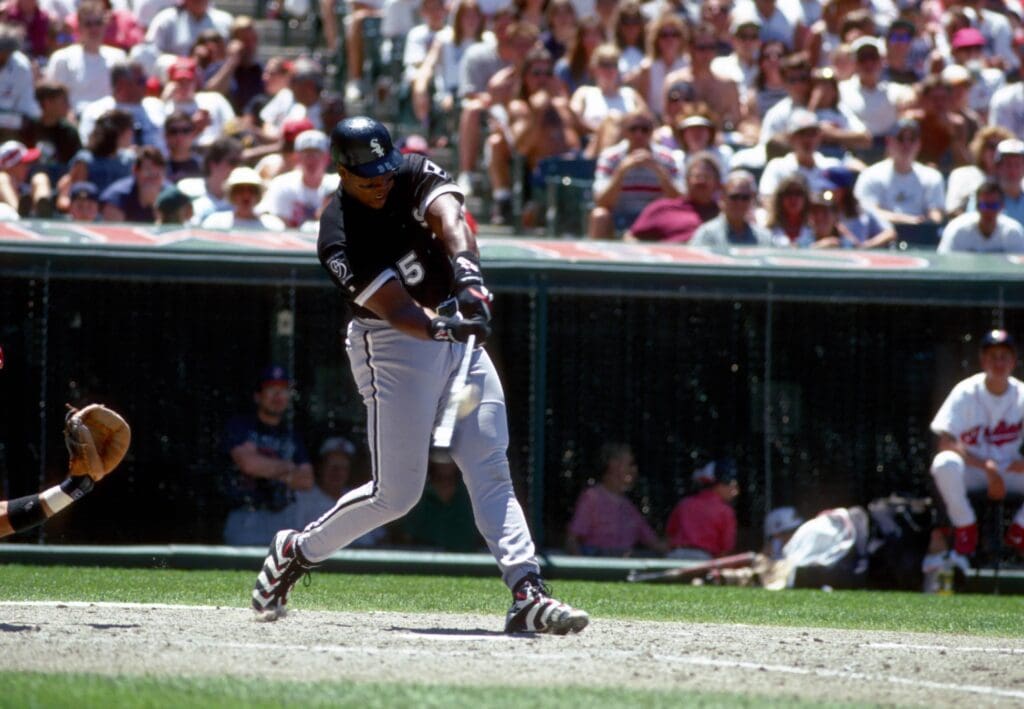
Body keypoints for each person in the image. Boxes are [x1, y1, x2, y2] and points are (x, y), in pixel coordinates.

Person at [251, 116, 589, 635]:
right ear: (342, 172)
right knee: (397, 494)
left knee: (489, 465)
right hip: (392, 346)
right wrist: (443, 327)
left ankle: (527, 590)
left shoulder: (405, 171)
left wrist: (468, 276)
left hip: (455, 335)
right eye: (369, 175)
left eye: (385, 169)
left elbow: (449, 214)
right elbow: (399, 312)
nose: (382, 180)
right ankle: (297, 550)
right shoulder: (337, 234)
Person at [927, 329, 1024, 569]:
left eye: (1004, 356)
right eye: (993, 356)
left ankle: (1020, 531)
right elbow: (946, 441)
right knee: (944, 462)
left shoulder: (1022, 394)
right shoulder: (965, 391)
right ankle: (965, 526)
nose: (998, 362)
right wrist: (986, 469)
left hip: (1010, 470)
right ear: (983, 361)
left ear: (1013, 361)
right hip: (974, 470)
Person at [223, 365, 314, 547]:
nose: (278, 397)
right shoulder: (242, 426)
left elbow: (306, 480)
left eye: (283, 391)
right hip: (245, 516)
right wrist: (289, 468)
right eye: (272, 390)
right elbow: (249, 465)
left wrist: (266, 467)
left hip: (282, 518)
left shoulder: (291, 434)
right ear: (258, 396)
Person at [588, 108, 683, 239]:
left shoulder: (667, 159)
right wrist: (621, 171)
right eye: (633, 129)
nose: (639, 134)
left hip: (656, 218)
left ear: (652, 132)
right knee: (599, 215)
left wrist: (658, 170)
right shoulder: (610, 157)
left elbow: (679, 200)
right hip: (619, 216)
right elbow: (601, 201)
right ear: (624, 131)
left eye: (645, 129)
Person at [565, 442, 666, 557]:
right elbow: (572, 540)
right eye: (630, 464)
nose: (634, 470)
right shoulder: (591, 498)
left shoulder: (629, 508)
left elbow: (655, 543)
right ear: (613, 464)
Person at [289, 436, 385, 547]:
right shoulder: (303, 498)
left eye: (343, 467)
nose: (337, 473)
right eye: (333, 466)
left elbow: (381, 539)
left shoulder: (363, 497)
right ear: (321, 467)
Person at [852, 117, 945, 228]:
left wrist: (926, 223)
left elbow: (936, 216)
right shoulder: (870, 175)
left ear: (919, 143)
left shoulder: (932, 177)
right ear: (889, 141)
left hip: (919, 235)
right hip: (881, 236)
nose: (906, 145)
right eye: (900, 139)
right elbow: (867, 213)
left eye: (912, 139)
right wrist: (906, 220)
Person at [624, 152, 721, 243]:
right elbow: (630, 237)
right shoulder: (662, 208)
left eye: (706, 177)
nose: (701, 181)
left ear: (717, 184)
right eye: (697, 176)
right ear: (686, 181)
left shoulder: (724, 214)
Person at [400, 459, 482, 552]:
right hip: (425, 561)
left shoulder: (473, 494)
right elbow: (407, 536)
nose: (445, 461)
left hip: (467, 560)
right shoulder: (417, 494)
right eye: (439, 455)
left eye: (450, 457)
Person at [665, 459, 739, 559]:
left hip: (673, 558)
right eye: (731, 485)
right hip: (702, 562)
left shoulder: (684, 504)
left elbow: (670, 535)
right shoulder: (725, 511)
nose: (735, 492)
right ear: (719, 485)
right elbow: (725, 549)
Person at [691, 169, 776, 246]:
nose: (740, 203)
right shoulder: (707, 235)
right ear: (722, 198)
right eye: (734, 197)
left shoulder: (764, 237)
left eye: (745, 197)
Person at [938, 182, 1024, 254]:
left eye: (993, 206)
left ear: (1001, 206)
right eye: (984, 206)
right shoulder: (957, 230)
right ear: (977, 207)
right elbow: (944, 264)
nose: (988, 211)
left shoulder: (1013, 232)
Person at [99, 145, 171, 223]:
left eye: (158, 172)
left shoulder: (171, 195)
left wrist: (157, 205)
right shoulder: (117, 196)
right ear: (135, 171)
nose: (152, 176)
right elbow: (114, 232)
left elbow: (172, 231)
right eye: (148, 170)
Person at [201, 166, 286, 231]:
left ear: (258, 194)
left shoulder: (272, 226)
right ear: (232, 194)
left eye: (251, 190)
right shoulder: (215, 223)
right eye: (240, 190)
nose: (246, 195)